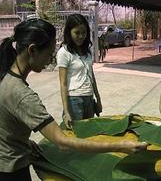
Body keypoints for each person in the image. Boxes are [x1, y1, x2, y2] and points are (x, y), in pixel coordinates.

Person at [0, 18, 147, 180]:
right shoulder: (23, 96)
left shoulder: (5, 77)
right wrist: (120, 145)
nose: (50, 61)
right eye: (49, 55)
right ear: (32, 50)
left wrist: (20, 142)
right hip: (11, 171)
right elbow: (62, 142)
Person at [56, 14, 102, 129]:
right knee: (76, 135)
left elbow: (91, 76)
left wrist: (98, 98)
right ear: (69, 32)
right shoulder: (64, 53)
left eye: (84, 33)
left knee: (88, 133)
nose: (81, 36)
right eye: (77, 33)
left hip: (89, 98)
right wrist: (66, 112)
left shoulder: (87, 51)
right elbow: (63, 83)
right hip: (74, 100)